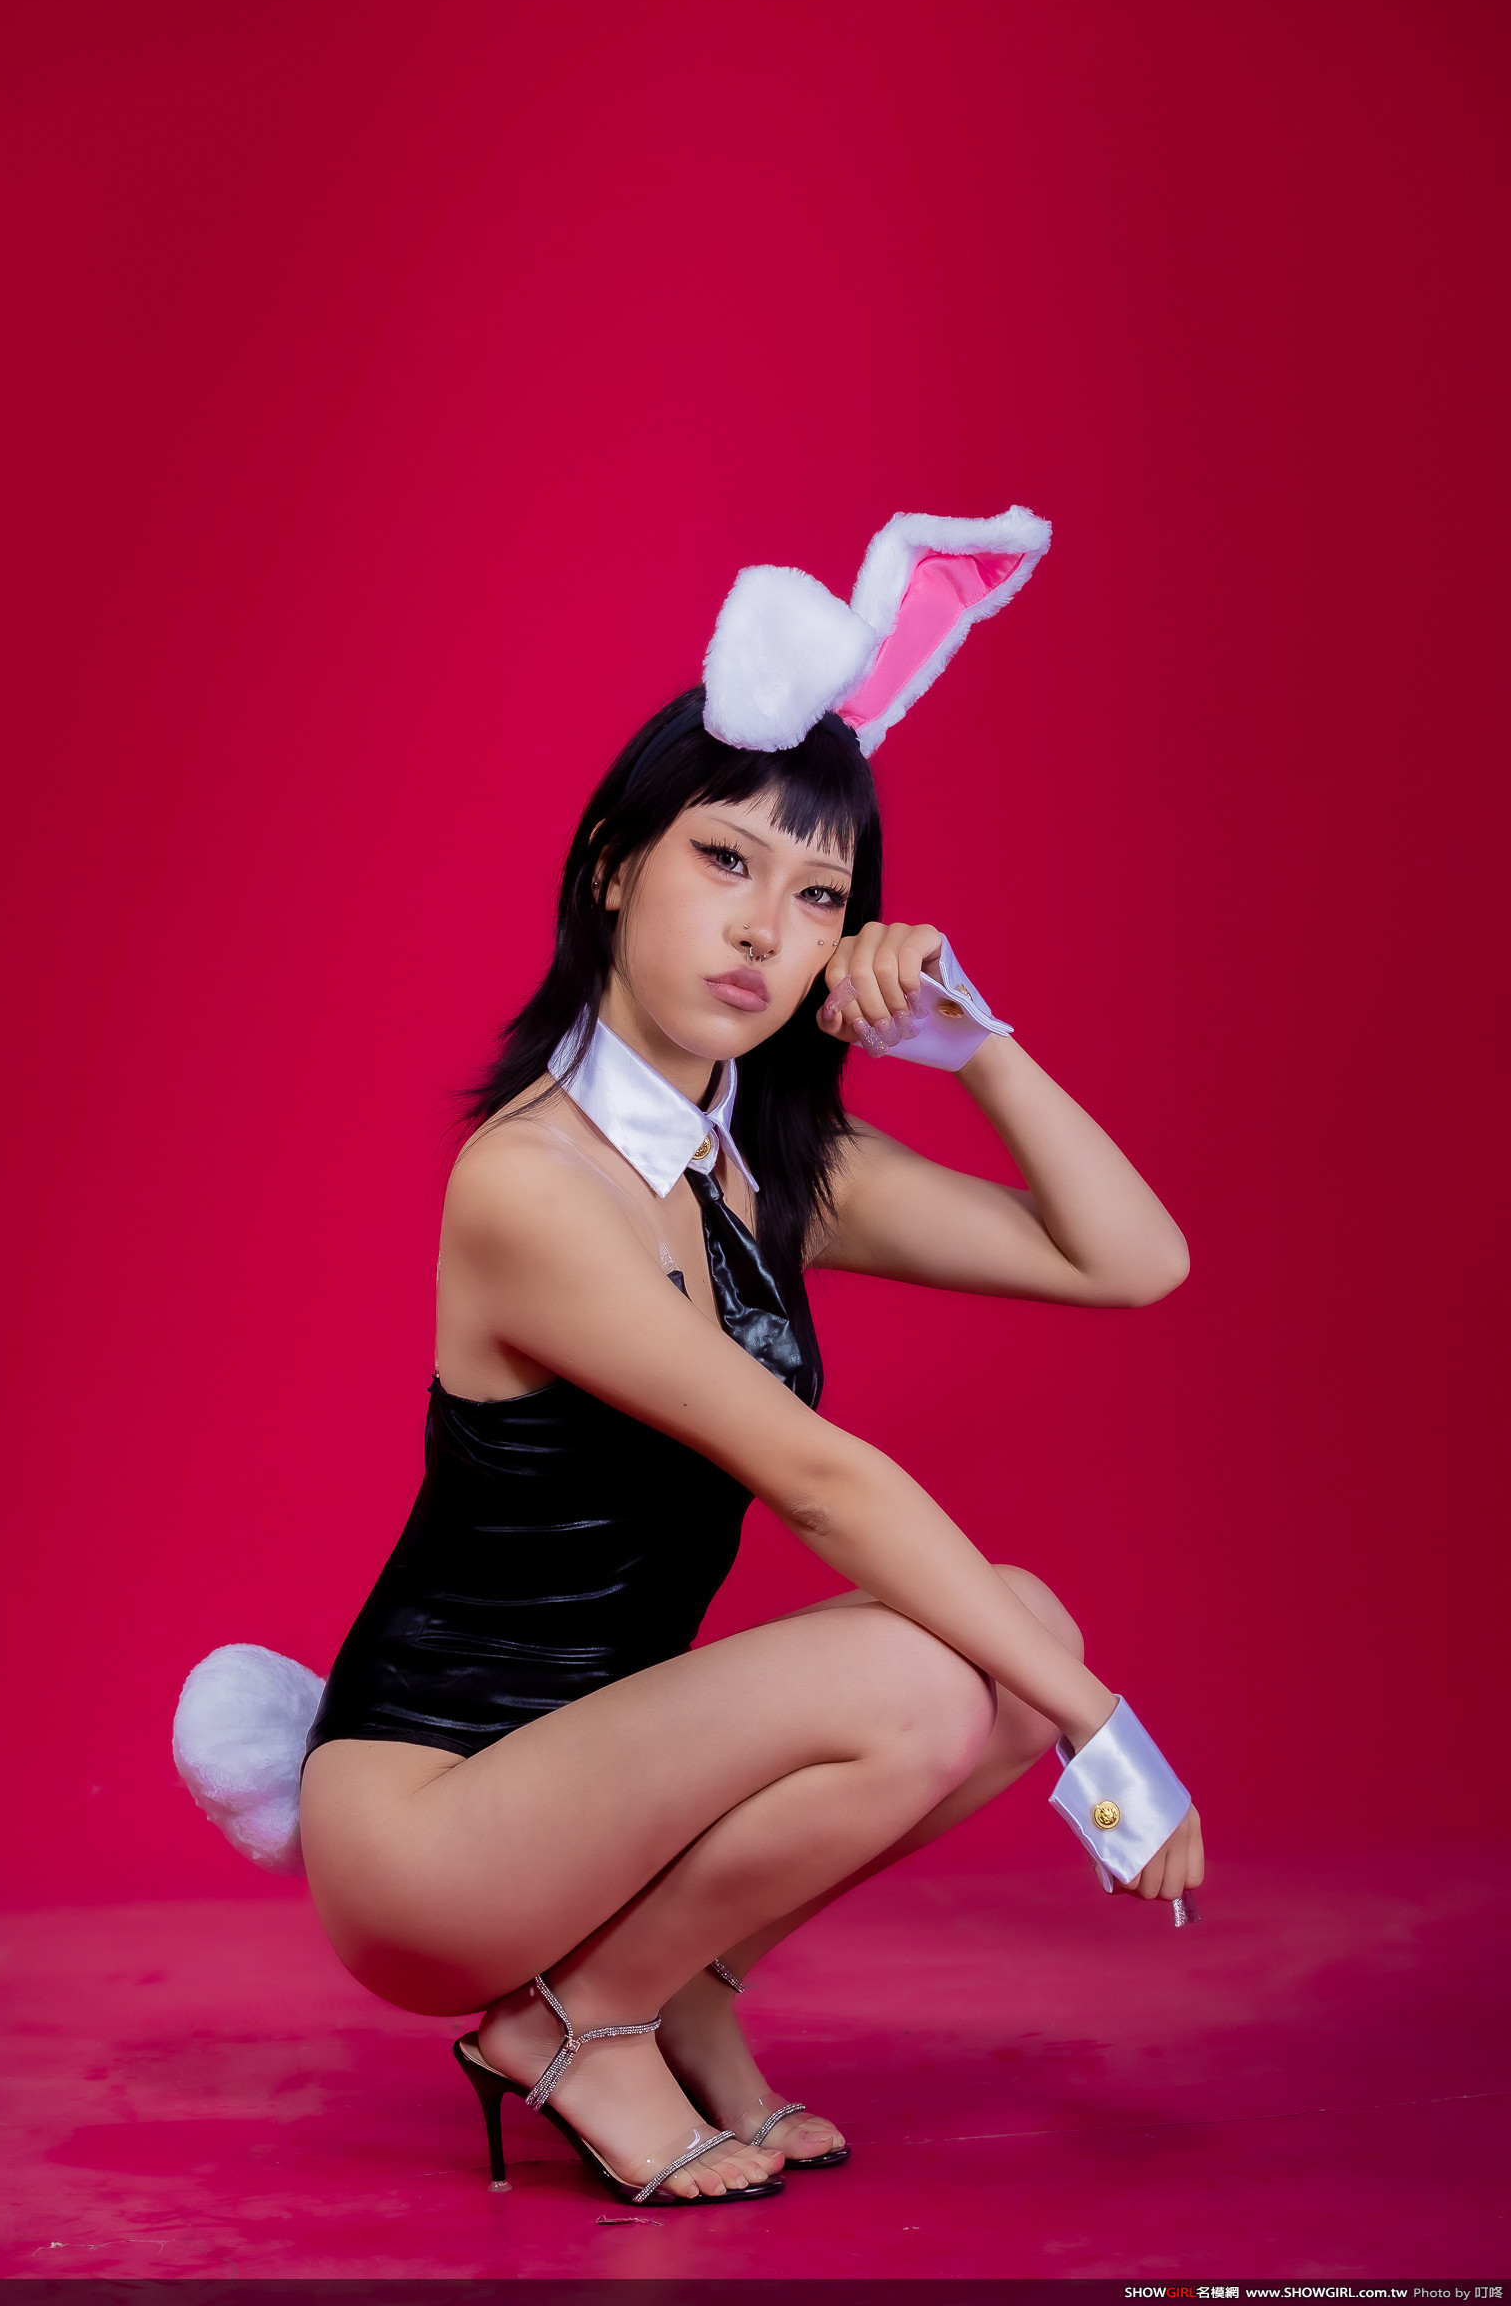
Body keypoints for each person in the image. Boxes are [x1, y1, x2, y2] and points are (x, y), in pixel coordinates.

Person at [291, 511, 1204, 2208]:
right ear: (611, 865)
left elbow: (1132, 1262)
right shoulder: (530, 1181)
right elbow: (818, 1482)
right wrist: (1111, 1744)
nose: (765, 932)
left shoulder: (766, 1165)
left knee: (1017, 1638)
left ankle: (672, 1987)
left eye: (819, 896)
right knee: (956, 1671)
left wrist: (975, 1045)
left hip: (610, 1790)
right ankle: (573, 2021)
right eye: (724, 862)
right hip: (434, 1822)